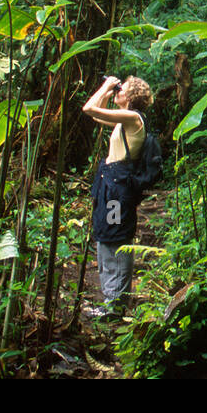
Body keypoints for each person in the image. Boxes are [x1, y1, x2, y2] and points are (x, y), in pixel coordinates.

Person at [82, 74, 154, 319]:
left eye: (122, 88)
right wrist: (109, 89)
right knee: (105, 236)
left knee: (115, 238)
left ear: (131, 96)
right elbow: (93, 113)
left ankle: (116, 305)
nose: (117, 91)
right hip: (110, 186)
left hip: (117, 190)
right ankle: (110, 301)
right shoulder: (122, 121)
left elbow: (88, 107)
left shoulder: (133, 118)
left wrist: (106, 85)